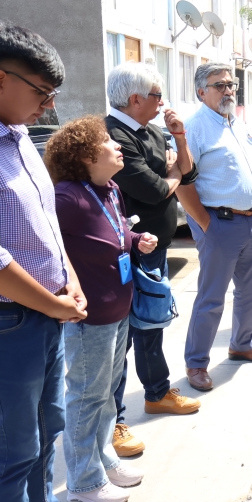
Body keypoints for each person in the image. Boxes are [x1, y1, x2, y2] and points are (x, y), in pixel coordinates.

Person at [0, 24, 87, 502]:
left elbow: (46, 225)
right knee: (15, 453)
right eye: (42, 93)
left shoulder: (15, 133)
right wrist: (55, 302)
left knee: (46, 435)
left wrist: (70, 282)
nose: (49, 106)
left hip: (43, 311)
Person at [45, 116, 156, 502]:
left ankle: (104, 461)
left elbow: (117, 230)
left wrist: (137, 239)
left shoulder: (109, 189)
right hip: (88, 319)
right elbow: (45, 249)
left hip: (117, 310)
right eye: (108, 142)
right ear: (86, 155)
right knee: (85, 398)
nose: (118, 146)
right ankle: (83, 482)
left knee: (106, 395)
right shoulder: (66, 197)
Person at [106, 62, 201, 458]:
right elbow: (156, 188)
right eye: (157, 95)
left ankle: (157, 392)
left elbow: (188, 174)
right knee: (118, 341)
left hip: (154, 247)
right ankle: (113, 422)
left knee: (152, 323)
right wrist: (170, 178)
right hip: (125, 252)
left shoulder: (150, 130)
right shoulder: (113, 137)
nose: (163, 103)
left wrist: (178, 141)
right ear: (135, 99)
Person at [176, 62, 252, 393]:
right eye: (220, 85)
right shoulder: (194, 128)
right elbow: (183, 183)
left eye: (231, 85)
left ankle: (241, 345)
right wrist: (205, 223)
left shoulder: (239, 124)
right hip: (220, 224)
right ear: (201, 91)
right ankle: (196, 363)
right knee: (211, 298)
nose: (228, 90)